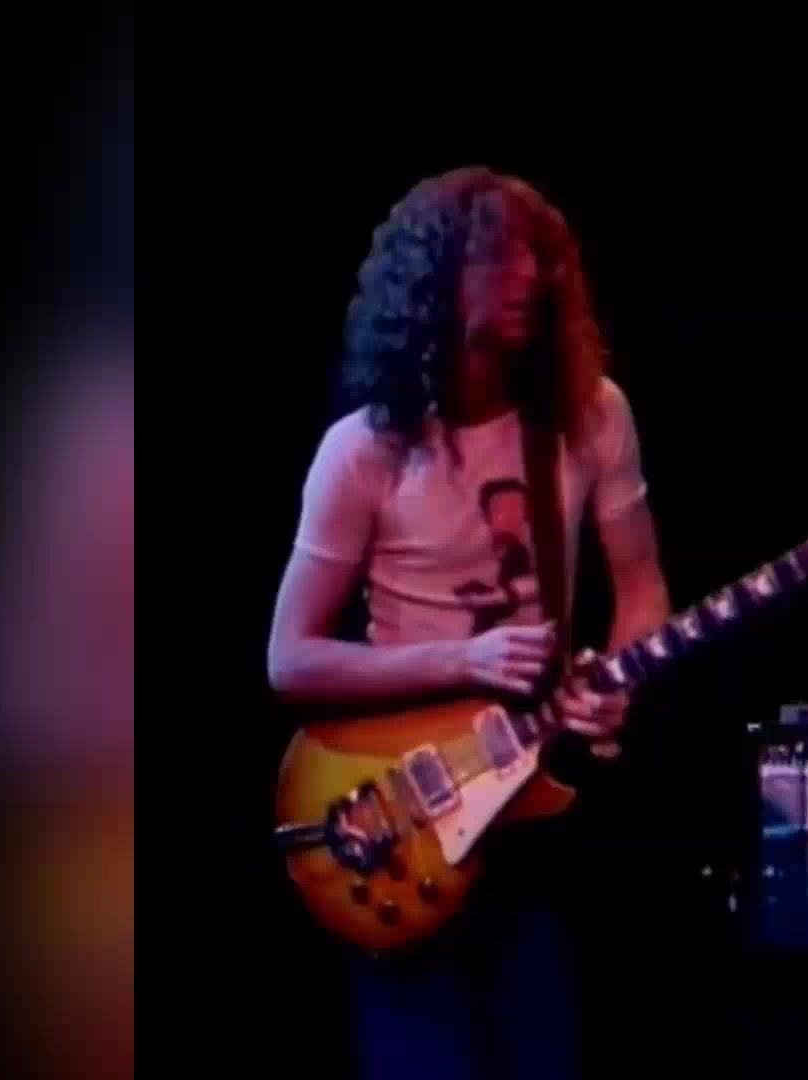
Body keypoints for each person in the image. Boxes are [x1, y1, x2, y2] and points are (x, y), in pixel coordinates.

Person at [266, 166, 670, 1080]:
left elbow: (642, 586)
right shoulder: (362, 450)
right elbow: (289, 658)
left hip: (531, 811)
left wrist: (618, 679)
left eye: (538, 256)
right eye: (496, 257)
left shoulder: (591, 417)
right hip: (399, 815)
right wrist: (467, 658)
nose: (527, 276)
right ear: (430, 280)